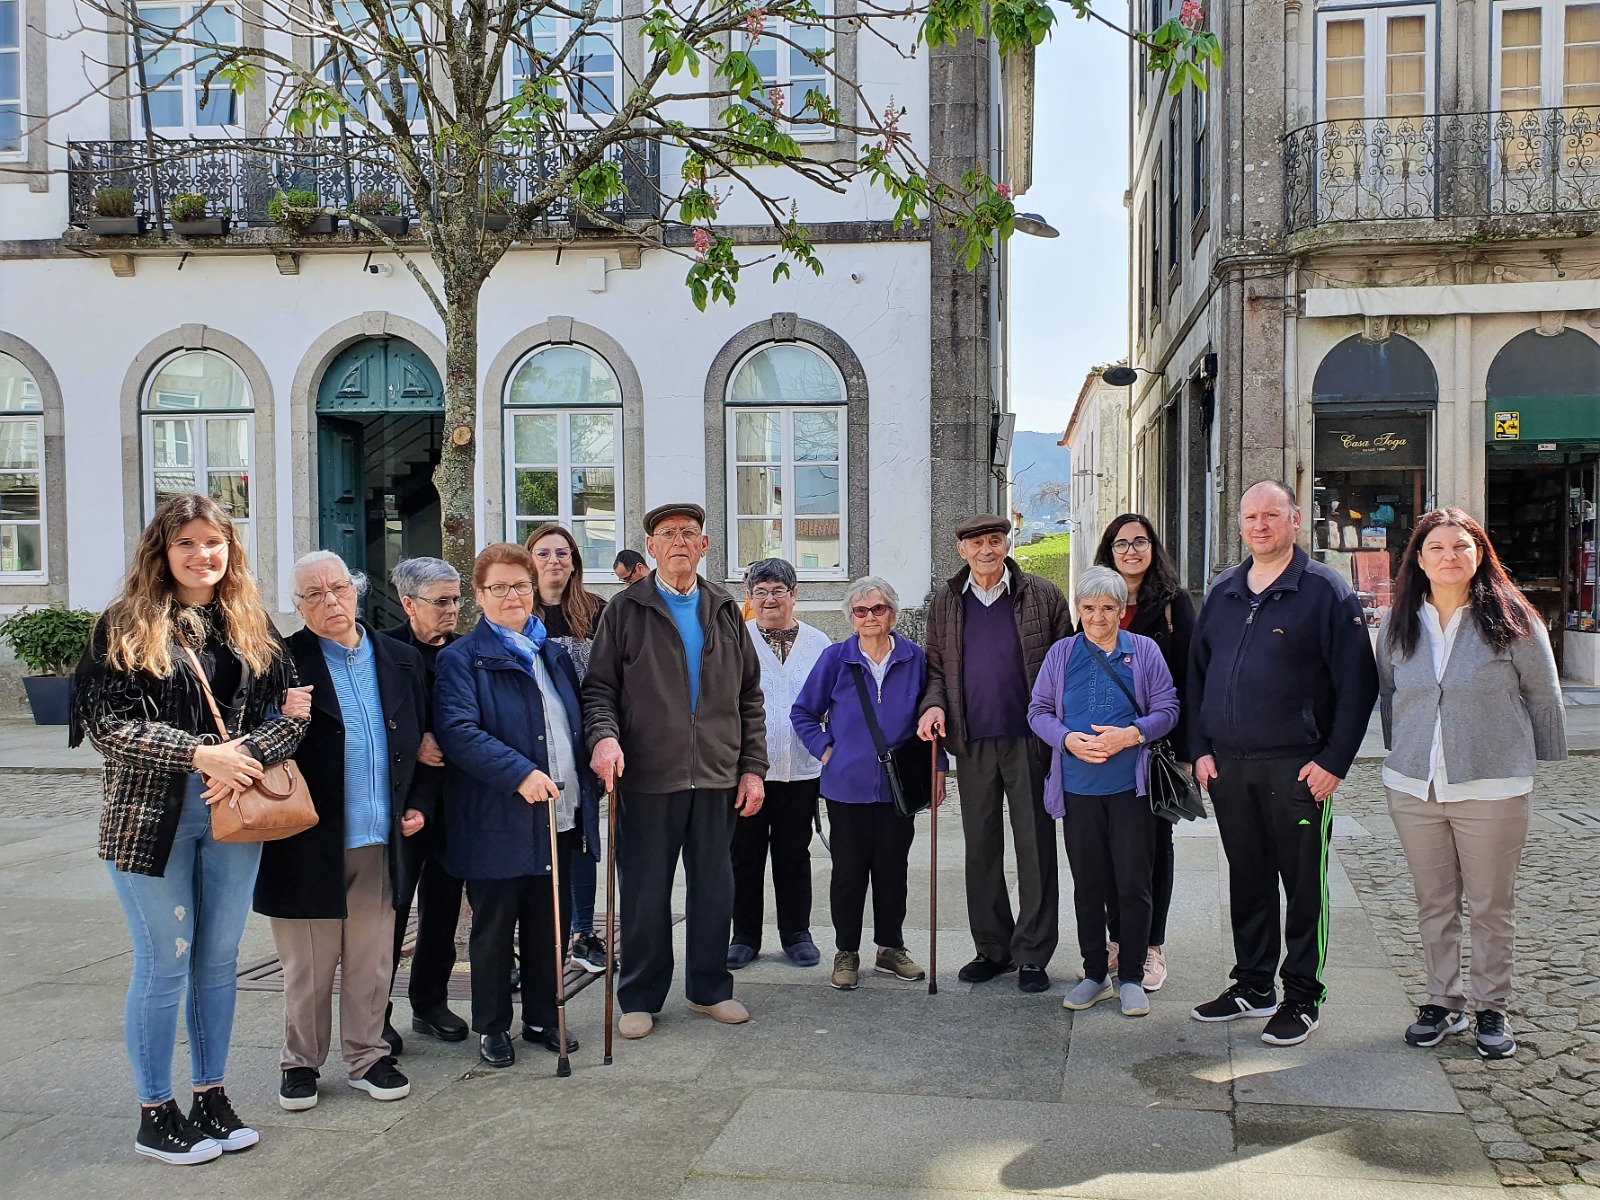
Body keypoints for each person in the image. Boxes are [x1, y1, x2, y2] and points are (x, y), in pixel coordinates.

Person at [69, 493, 309, 1165]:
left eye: (215, 543)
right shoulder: (123, 622)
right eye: (188, 543)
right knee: (163, 962)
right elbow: (107, 725)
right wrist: (199, 754)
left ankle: (211, 1095)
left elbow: (295, 712)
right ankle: (155, 1111)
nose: (203, 555)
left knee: (218, 960)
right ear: (162, 551)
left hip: (235, 809)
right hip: (151, 817)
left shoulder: (251, 622)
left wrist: (244, 758)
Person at [1188, 480, 1379, 1046]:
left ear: (1296, 520)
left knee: (1302, 886)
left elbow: (1357, 684)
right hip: (1229, 767)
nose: (1261, 525)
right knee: (1247, 878)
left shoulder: (1325, 591)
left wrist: (1334, 761)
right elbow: (1198, 676)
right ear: (1240, 524)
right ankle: (1253, 984)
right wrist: (1199, 749)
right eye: (1251, 516)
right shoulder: (1223, 590)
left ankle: (1301, 995)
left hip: (1299, 769)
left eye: (1272, 515)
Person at [1377, 509, 1566, 1059]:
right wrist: (1404, 749)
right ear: (1418, 559)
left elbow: (1544, 694)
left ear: (1480, 553)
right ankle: (1441, 1000)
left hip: (1493, 787)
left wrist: (1534, 762)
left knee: (1489, 905)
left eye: (1461, 546)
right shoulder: (1399, 624)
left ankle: (1492, 1008)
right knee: (1434, 903)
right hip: (1416, 788)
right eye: (1436, 548)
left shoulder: (1513, 619)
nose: (1449, 557)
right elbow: (1391, 695)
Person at [584, 502, 767, 1040]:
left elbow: (749, 697)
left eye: (689, 532)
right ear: (653, 548)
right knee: (644, 892)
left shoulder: (726, 609)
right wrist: (605, 738)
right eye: (667, 534)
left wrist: (752, 768)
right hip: (646, 776)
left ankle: (710, 989)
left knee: (714, 889)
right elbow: (599, 690)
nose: (680, 541)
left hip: (716, 776)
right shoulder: (625, 610)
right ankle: (639, 996)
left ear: (705, 546)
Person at [259, 552, 430, 1111]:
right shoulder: (278, 664)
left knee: (373, 959)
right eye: (313, 595)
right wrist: (280, 715)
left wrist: (418, 805)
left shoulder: (400, 658)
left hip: (381, 837)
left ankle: (367, 1055)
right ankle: (300, 1064)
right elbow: (253, 744)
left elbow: (426, 746)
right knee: (308, 967)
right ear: (299, 605)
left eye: (337, 589)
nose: (329, 602)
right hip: (307, 839)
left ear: (356, 591)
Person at [434, 543, 600, 1068]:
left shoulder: (550, 652)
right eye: (498, 587)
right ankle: (491, 1025)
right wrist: (519, 773)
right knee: (494, 926)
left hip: (559, 811)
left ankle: (542, 1017)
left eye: (521, 586)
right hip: (497, 817)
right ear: (479, 596)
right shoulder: (461, 658)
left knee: (548, 923)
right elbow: (458, 730)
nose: (512, 596)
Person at [916, 513, 1072, 993]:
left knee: (1034, 847)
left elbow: (1066, 661)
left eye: (995, 539)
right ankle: (992, 948)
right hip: (972, 740)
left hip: (1030, 740)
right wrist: (934, 705)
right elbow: (936, 670)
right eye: (976, 542)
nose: (987, 548)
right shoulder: (944, 603)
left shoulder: (1042, 594)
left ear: (1007, 543)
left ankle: (1032, 954)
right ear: (960, 550)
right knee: (981, 849)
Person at [1029, 566, 1179, 1017]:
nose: (1098, 617)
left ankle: (1131, 974)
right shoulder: (1062, 653)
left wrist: (1130, 735)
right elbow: (1037, 710)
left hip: (1130, 790)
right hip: (1077, 789)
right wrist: (1067, 739)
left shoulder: (1144, 651)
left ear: (1121, 610)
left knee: (1134, 884)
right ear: (1079, 609)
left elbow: (1168, 708)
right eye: (1089, 607)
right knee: (1089, 885)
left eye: (1108, 607)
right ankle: (1096, 972)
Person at [791, 578, 945, 990]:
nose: (870, 617)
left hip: (900, 787)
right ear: (851, 618)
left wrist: (939, 769)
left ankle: (889, 948)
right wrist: (826, 751)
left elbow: (932, 717)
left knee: (894, 870)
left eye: (878, 609)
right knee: (849, 872)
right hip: (846, 786)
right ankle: (847, 951)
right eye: (861, 611)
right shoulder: (835, 659)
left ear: (892, 613)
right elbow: (803, 712)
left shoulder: (915, 658)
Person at [1089, 514, 1197, 992]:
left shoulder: (1173, 605)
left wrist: (1191, 752)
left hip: (1157, 746)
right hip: (1103, 751)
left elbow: (1192, 680)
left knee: (1153, 849)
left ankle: (1150, 946)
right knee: (1111, 849)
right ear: (1108, 551)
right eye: (1120, 543)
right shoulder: (1099, 602)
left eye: (1140, 541)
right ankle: (1118, 943)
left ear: (1154, 547)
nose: (1131, 550)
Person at [381, 557, 468, 1049]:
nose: (453, 609)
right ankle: (377, 1012)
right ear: (409, 603)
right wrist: (413, 741)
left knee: (443, 908)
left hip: (453, 803)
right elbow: (371, 718)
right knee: (390, 912)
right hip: (403, 805)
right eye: (442, 601)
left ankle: (430, 1002)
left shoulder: (462, 651)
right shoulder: (382, 650)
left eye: (456, 599)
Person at [728, 558, 830, 970]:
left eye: (779, 591)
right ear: (749, 597)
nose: (770, 599)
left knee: (794, 853)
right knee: (744, 854)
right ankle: (745, 936)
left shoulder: (819, 642)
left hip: (801, 769)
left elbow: (831, 701)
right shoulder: (737, 638)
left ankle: (796, 933)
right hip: (748, 770)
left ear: (794, 594)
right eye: (761, 591)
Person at [525, 522, 608, 974]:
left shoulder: (595, 611)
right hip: (531, 744)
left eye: (562, 553)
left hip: (582, 741)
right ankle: (531, 937)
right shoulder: (517, 610)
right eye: (543, 553)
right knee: (531, 841)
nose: (553, 561)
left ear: (574, 560)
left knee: (581, 839)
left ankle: (582, 932)